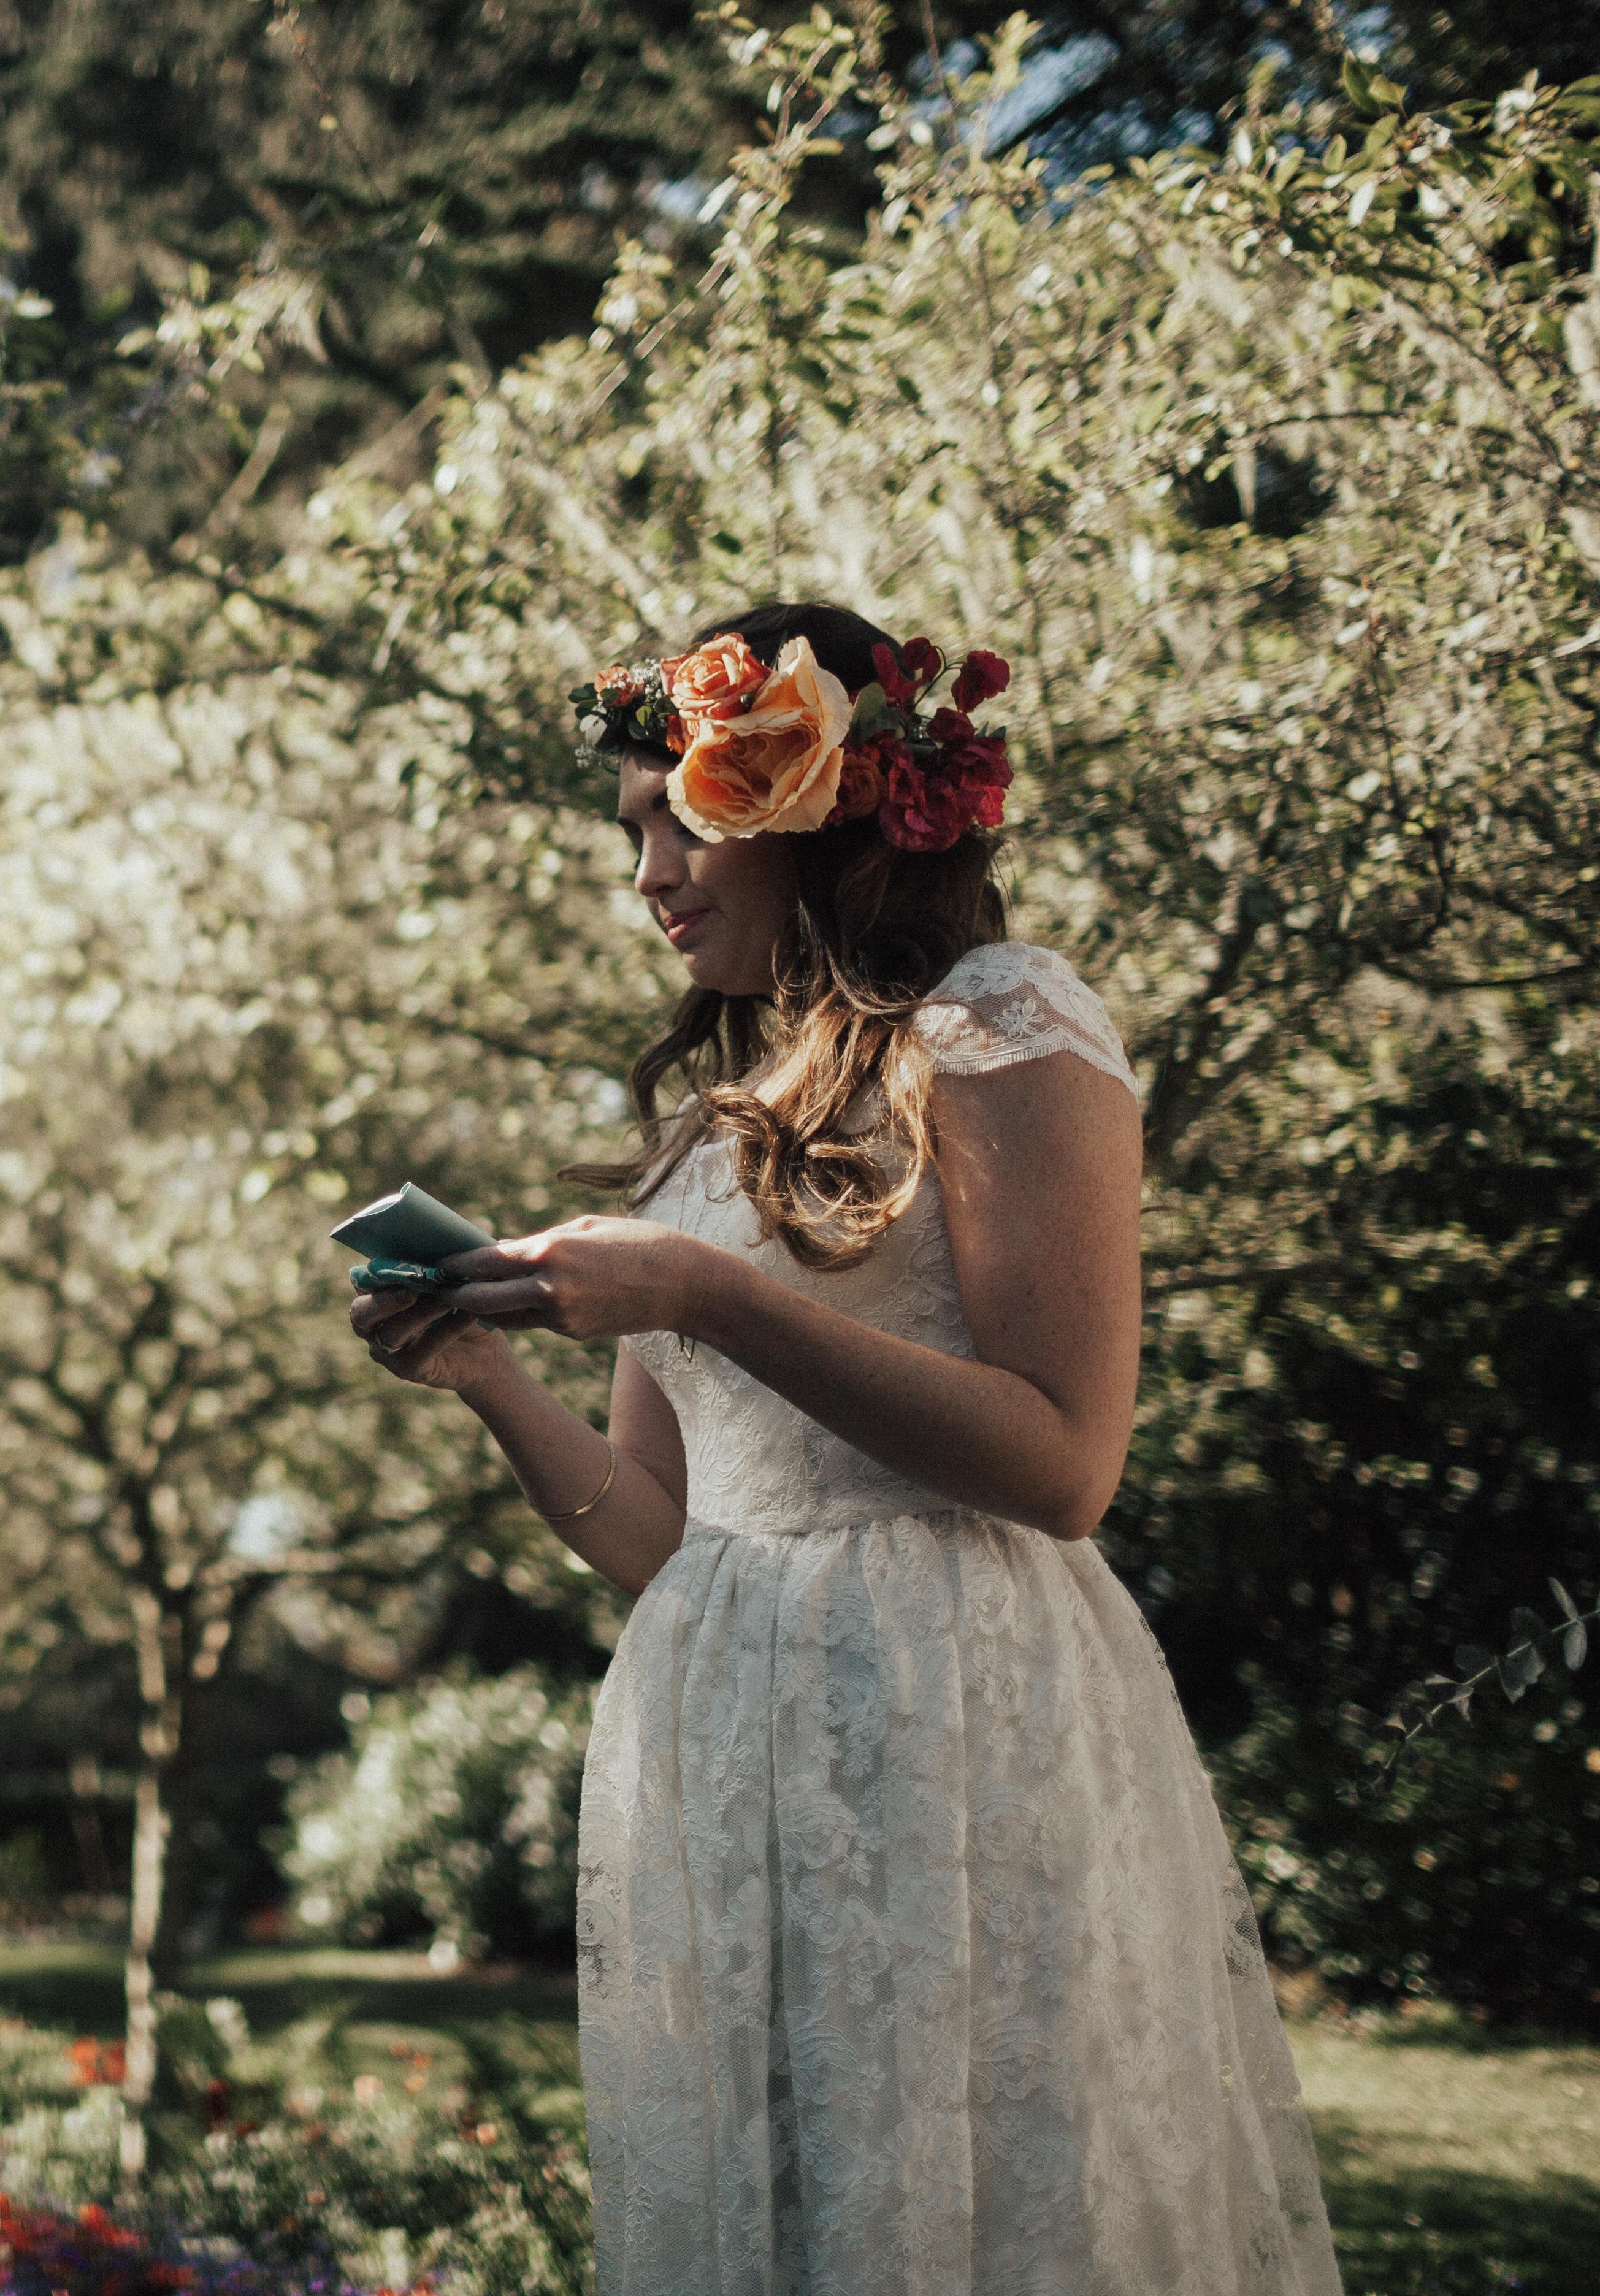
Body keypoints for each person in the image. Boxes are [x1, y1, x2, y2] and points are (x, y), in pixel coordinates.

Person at [348, 602, 1338, 2291]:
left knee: (992, 2205)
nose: (647, 876)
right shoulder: (704, 1132)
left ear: (813, 804)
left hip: (958, 1714)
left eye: (677, 823)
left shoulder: (1002, 1021)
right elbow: (664, 1533)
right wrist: (491, 1383)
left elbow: (1064, 1462)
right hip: (729, 1747)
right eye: (632, 837)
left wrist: (709, 1301)